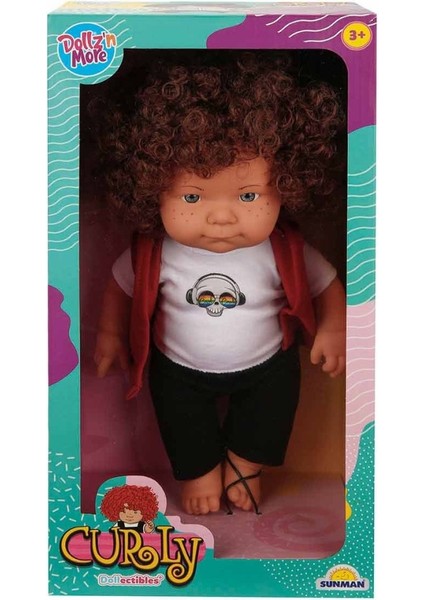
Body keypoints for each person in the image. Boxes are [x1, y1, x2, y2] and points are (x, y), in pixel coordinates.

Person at [93, 51, 346, 517]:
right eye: (192, 197)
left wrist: (334, 328)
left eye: (248, 195)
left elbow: (326, 284)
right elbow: (119, 286)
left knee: (273, 408)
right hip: (178, 368)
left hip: (267, 364)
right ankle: (200, 471)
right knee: (179, 417)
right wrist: (110, 334)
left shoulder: (283, 247)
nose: (223, 217)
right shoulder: (156, 250)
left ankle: (245, 464)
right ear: (150, 188)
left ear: (287, 185)